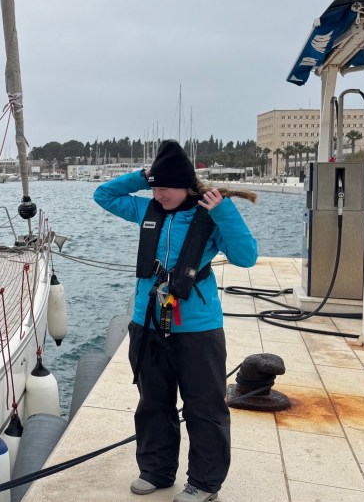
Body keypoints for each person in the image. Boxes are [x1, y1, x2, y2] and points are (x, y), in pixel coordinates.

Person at [93, 140, 257, 502]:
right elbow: (102, 195)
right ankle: (156, 470)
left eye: (166, 187)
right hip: (147, 323)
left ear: (186, 185)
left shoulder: (210, 214)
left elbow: (246, 257)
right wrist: (142, 176)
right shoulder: (146, 209)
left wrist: (225, 212)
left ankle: (204, 483)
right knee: (152, 401)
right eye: (155, 187)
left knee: (204, 407)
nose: (159, 194)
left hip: (197, 329)